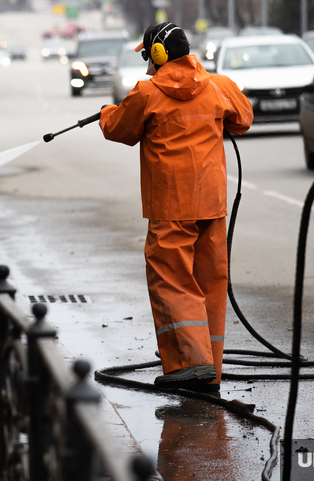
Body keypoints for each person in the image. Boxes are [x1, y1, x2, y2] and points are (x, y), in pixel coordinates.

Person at [98, 22, 253, 391]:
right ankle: (210, 369)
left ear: (158, 55)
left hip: (171, 205)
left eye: (146, 55)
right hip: (211, 205)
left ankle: (189, 365)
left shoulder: (147, 93)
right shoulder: (219, 85)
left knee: (173, 282)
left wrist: (106, 110)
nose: (145, 64)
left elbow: (119, 129)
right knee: (209, 284)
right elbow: (243, 119)